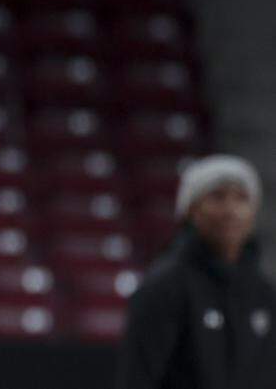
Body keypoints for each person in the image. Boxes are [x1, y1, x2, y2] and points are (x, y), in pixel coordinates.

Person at [116, 154, 276, 388]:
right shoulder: (163, 288)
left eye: (242, 198)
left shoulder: (265, 294)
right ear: (190, 210)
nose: (231, 210)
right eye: (217, 197)